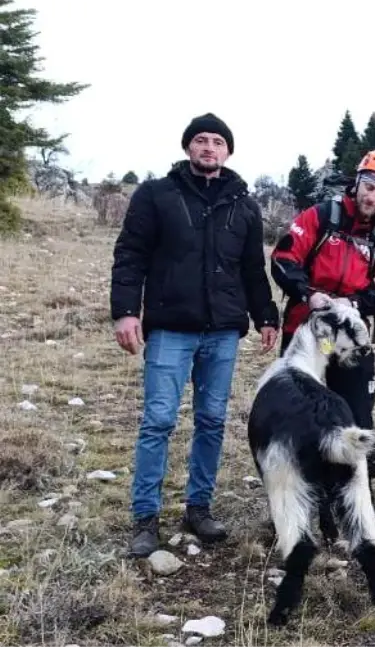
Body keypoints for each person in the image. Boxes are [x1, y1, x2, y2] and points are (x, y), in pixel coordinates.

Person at [111, 112, 279, 558]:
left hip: (223, 332)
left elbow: (251, 269)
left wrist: (267, 315)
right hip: (170, 329)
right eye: (201, 140)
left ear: (228, 151)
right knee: (159, 421)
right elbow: (130, 255)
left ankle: (198, 508)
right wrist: (126, 312)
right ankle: (145, 517)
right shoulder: (156, 195)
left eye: (218, 142)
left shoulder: (244, 205)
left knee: (211, 421)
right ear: (188, 147)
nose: (209, 148)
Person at [270, 149, 375, 478]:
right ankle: (298, 477)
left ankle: (356, 480)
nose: (372, 197)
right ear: (357, 182)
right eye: (369, 187)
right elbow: (283, 258)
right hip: (307, 329)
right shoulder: (321, 216)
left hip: (351, 336)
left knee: (356, 406)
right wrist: (310, 293)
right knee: (300, 405)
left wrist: (356, 304)